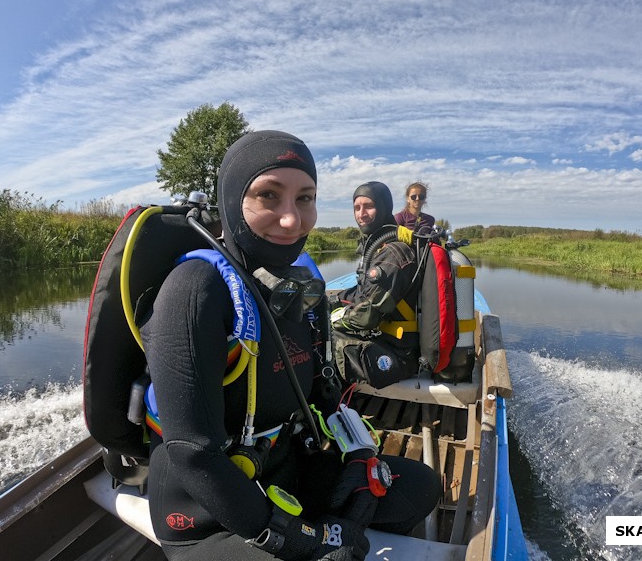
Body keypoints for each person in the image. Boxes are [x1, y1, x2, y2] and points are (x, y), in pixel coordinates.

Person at [140, 132, 440, 561]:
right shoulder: (194, 291)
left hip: (288, 472)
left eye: (305, 198)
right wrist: (288, 536)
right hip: (209, 512)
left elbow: (322, 393)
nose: (290, 220)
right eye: (268, 196)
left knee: (421, 487)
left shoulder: (300, 283)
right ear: (230, 202)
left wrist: (356, 459)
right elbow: (193, 453)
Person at [330, 182, 422, 389]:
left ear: (384, 208)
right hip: (383, 340)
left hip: (398, 355)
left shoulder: (393, 254)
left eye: (368, 206)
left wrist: (331, 319)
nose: (361, 214)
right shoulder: (377, 247)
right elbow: (362, 292)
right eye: (356, 207)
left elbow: (366, 316)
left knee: (320, 338)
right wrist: (333, 301)